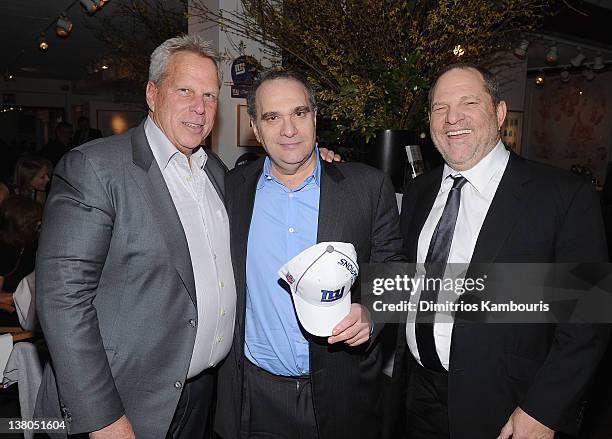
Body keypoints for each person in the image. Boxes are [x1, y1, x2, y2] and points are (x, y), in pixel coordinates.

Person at [394, 63, 609, 439]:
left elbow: (588, 320)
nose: (452, 117)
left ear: (499, 112)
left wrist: (544, 409)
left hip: (508, 409)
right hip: (416, 398)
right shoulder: (418, 192)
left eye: (468, 102)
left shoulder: (562, 196)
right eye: (439, 108)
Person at [35, 35, 235, 439]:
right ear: (151, 92)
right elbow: (61, 299)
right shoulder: (95, 168)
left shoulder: (216, 171)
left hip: (198, 399)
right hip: (121, 403)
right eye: (185, 91)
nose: (200, 107)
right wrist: (102, 417)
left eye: (211, 96)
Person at [215, 70, 403, 439]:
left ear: (315, 117)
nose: (289, 129)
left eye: (299, 113)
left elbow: (394, 271)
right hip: (255, 397)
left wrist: (372, 313)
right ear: (255, 126)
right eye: (273, 117)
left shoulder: (366, 187)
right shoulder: (231, 189)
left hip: (344, 393)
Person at [0, 195, 42, 326]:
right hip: (12, 315)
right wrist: (20, 298)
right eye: (36, 221)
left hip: (28, 306)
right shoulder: (3, 250)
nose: (40, 223)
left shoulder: (30, 242)